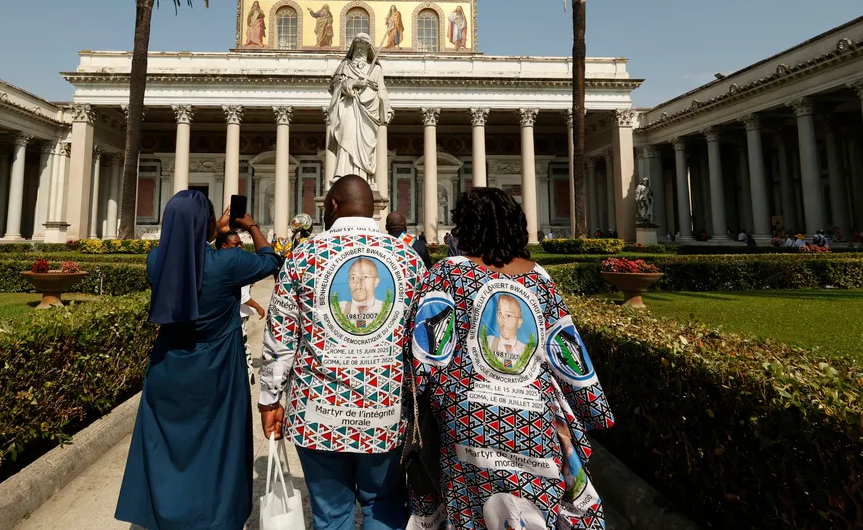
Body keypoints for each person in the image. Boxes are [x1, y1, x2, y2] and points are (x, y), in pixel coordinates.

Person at [407, 188, 613, 528]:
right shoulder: (540, 278)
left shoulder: (448, 272)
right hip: (535, 420)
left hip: (467, 417)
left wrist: (419, 393)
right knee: (535, 511)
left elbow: (426, 353)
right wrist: (595, 409)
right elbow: (568, 352)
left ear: (464, 229)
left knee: (470, 512)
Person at [260, 176, 427, 530]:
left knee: (330, 514)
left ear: (333, 206)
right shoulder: (410, 261)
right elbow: (423, 344)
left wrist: (270, 399)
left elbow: (280, 339)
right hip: (386, 412)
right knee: (383, 505)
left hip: (318, 413)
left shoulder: (303, 257)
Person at [115, 191, 281, 530]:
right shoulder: (228, 263)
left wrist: (209, 230)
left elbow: (184, 259)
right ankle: (215, 517)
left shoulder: (155, 260)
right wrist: (249, 226)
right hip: (216, 368)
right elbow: (271, 261)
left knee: (166, 448)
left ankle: (165, 513)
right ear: (207, 225)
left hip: (169, 367)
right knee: (218, 447)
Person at [327, 33, 389, 184]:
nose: (360, 51)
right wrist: (355, 83)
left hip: (368, 113)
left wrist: (385, 108)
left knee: (366, 144)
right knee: (346, 136)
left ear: (369, 51)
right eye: (358, 47)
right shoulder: (344, 66)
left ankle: (364, 177)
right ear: (353, 49)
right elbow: (335, 86)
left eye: (363, 48)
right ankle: (342, 173)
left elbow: (382, 91)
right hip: (349, 107)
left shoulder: (376, 70)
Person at [216, 229, 267, 386]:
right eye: (235, 244)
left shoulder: (215, 262)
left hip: (222, 316)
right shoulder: (235, 266)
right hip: (236, 317)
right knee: (242, 349)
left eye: (241, 244)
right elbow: (244, 297)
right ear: (224, 246)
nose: (239, 247)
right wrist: (258, 307)